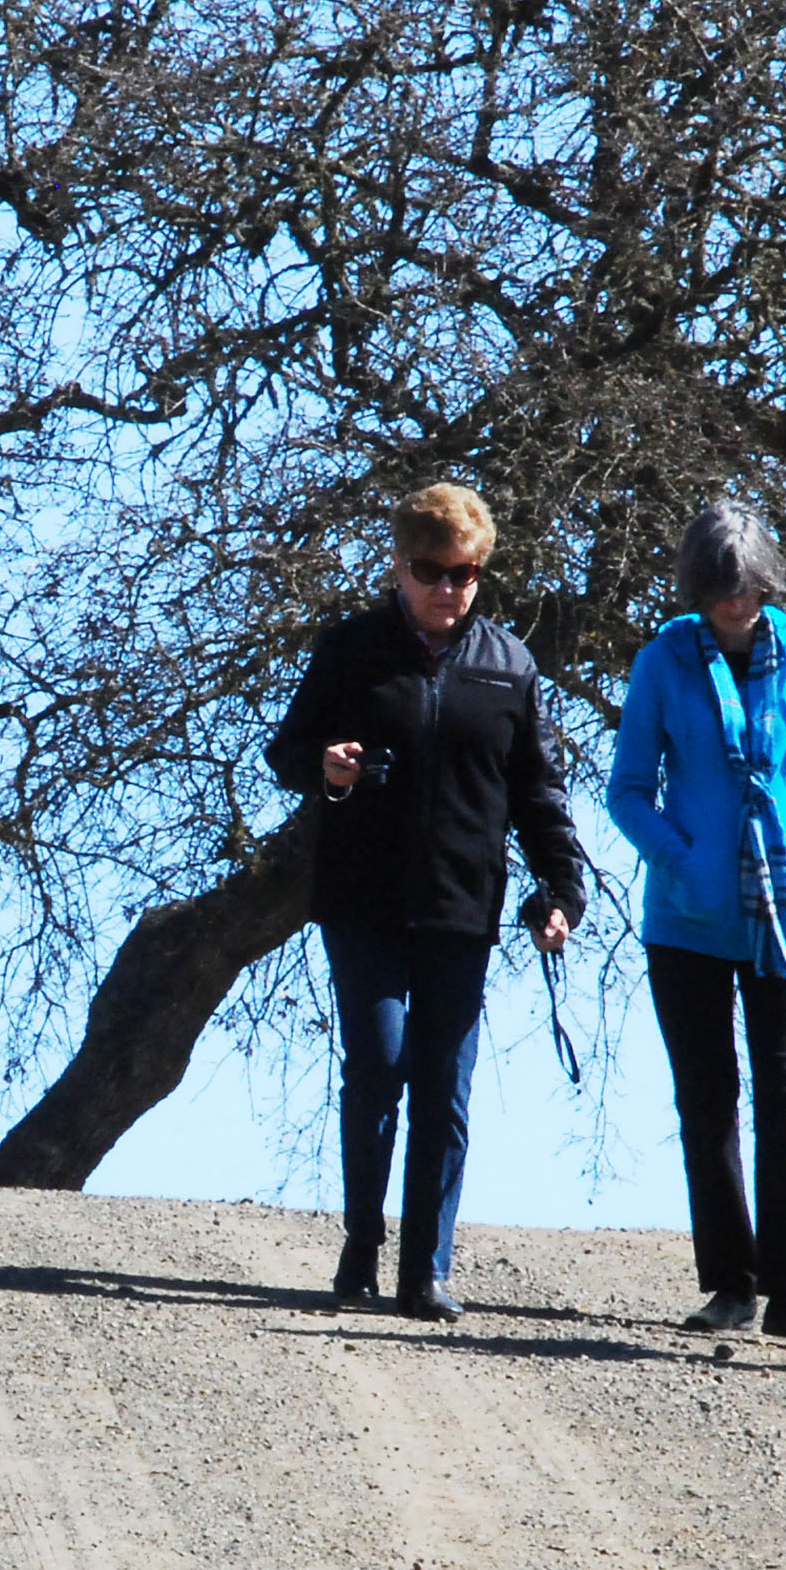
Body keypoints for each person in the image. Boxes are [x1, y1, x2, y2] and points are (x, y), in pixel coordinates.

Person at [266, 482, 585, 1322]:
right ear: (399, 568)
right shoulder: (351, 651)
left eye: (464, 573)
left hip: (462, 910)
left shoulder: (509, 666)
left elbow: (539, 793)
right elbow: (287, 751)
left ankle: (425, 1270)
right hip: (362, 902)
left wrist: (562, 890)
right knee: (378, 1068)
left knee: (445, 1088)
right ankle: (361, 1243)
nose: (447, 588)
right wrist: (325, 767)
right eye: (430, 571)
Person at [606, 504, 786, 1343]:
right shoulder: (663, 660)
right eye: (722, 592)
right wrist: (682, 862)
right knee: (707, 1097)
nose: (737, 605)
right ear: (697, 590)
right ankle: (729, 1283)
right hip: (685, 921)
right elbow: (627, 791)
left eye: (750, 590)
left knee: (785, 1092)